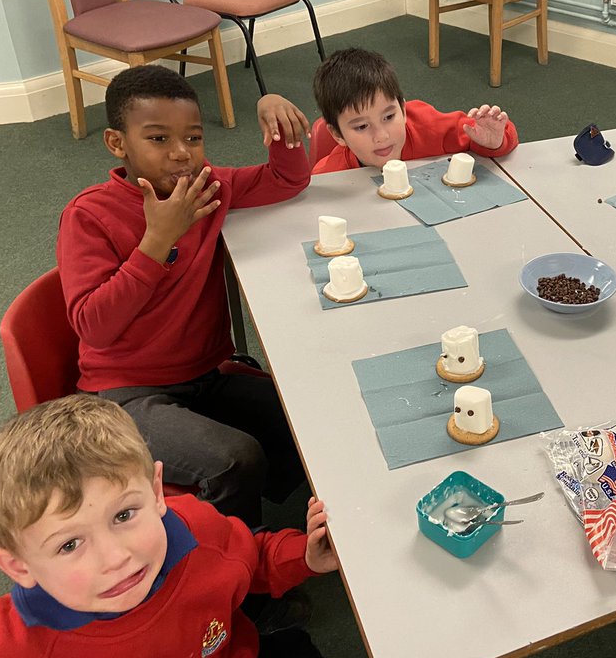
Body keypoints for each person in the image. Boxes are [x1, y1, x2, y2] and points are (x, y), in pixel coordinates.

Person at [0, 395, 399, 658]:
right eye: (69, 544)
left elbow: (250, 556)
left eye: (124, 515)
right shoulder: (3, 651)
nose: (116, 557)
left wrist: (303, 557)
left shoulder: (194, 528)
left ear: (155, 493)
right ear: (18, 566)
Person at [57, 65, 311, 527]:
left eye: (193, 138)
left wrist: (277, 122)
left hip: (203, 375)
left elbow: (286, 180)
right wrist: (157, 241)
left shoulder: (207, 188)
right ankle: (242, 561)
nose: (181, 153)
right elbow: (94, 326)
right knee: (235, 460)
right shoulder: (88, 215)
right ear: (117, 143)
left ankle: (282, 513)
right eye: (158, 139)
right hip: (124, 394)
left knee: (306, 413)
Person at [256, 47, 518, 174]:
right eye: (361, 126)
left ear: (403, 108)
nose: (381, 136)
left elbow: (486, 137)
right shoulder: (331, 173)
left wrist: (494, 141)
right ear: (336, 135)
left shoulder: (428, 125)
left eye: (389, 116)